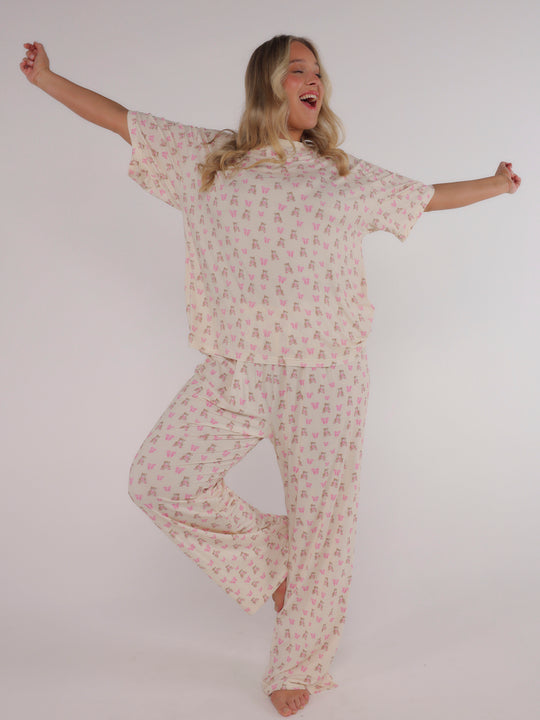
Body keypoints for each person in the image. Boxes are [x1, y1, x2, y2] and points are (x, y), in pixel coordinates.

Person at [20, 35, 521, 718]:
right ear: (268, 83)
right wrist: (48, 80)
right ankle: (274, 564)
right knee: (159, 479)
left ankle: (300, 662)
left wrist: (495, 184)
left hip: (326, 375)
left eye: (318, 72)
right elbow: (120, 121)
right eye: (299, 70)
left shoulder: (341, 173)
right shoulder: (209, 159)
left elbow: (426, 196)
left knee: (323, 523)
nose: (315, 81)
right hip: (237, 367)